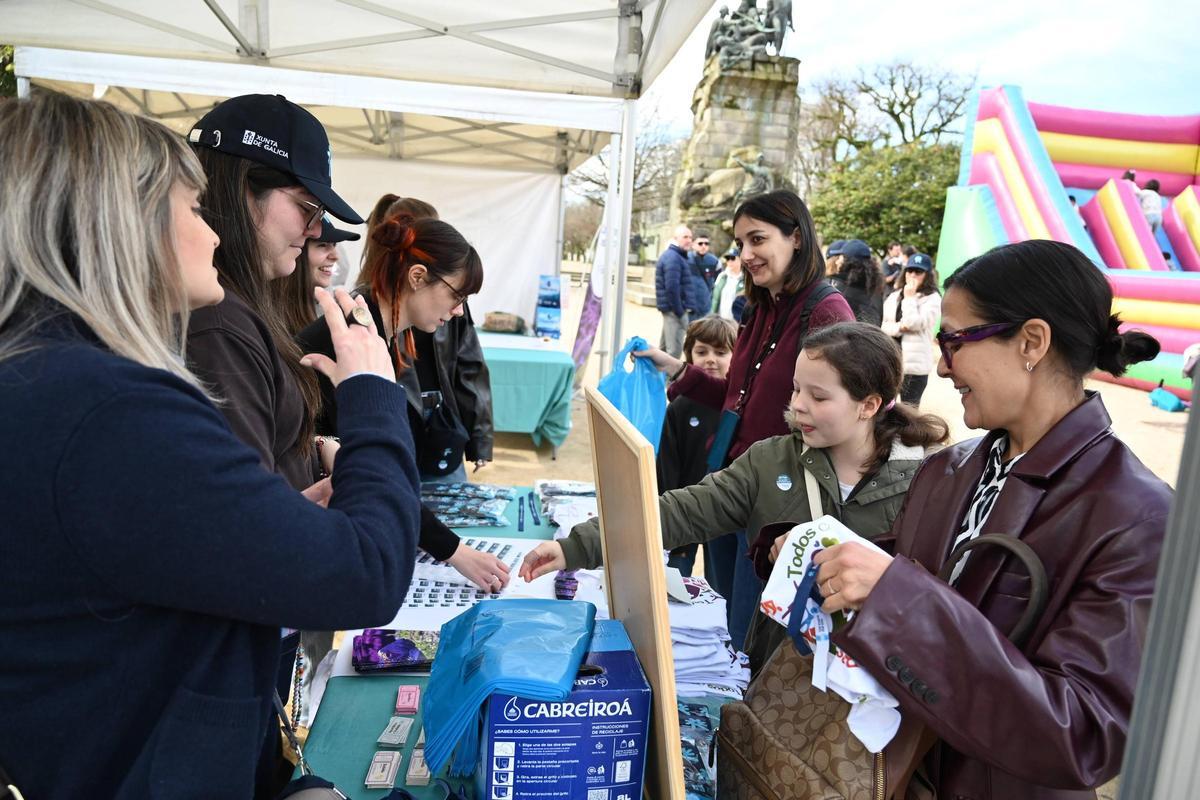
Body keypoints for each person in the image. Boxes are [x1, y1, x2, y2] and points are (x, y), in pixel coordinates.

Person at [0, 91, 420, 800]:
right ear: (120, 221)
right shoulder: (111, 411)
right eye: (193, 209)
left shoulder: (55, 382)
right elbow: (366, 573)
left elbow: (151, 635)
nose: (214, 235)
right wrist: (373, 395)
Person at [813, 239, 1170, 798]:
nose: (943, 363)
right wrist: (824, 554)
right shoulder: (951, 466)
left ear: (1032, 342)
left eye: (954, 340)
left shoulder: (1137, 516)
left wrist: (896, 600)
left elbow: (1084, 733)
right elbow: (922, 570)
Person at [521, 322, 949, 674]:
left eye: (818, 397)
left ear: (869, 405)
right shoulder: (770, 461)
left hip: (880, 683)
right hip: (780, 674)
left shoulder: (932, 481)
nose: (798, 405)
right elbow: (680, 511)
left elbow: (941, 594)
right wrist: (574, 546)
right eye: (796, 389)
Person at [627, 190, 855, 650]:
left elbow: (854, 413)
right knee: (730, 620)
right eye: (740, 243)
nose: (746, 255)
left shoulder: (826, 312)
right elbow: (738, 399)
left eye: (758, 240)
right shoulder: (761, 309)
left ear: (796, 238)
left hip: (781, 505)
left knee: (755, 636)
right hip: (735, 486)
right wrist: (673, 366)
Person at [297, 213, 511, 593]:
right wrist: (456, 552)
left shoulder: (376, 328)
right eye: (457, 296)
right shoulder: (354, 335)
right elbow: (381, 470)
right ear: (417, 277)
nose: (459, 310)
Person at [352, 195, 494, 482]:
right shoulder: (360, 318)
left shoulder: (447, 298)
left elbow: (470, 367)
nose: (456, 310)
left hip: (441, 428)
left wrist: (479, 438)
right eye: (455, 297)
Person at [658, 316, 738, 577]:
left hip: (723, 512)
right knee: (674, 579)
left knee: (721, 580)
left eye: (720, 352)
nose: (710, 359)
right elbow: (669, 463)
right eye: (701, 352)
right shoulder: (680, 406)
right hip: (684, 509)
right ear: (689, 356)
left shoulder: (737, 406)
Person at [276, 215, 361, 334]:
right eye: (322, 245)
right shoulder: (272, 317)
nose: (336, 256)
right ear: (297, 251)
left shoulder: (326, 307)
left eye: (334, 245)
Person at [881, 252, 941, 406]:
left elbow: (913, 323)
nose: (912, 275)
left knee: (910, 412)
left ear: (927, 275)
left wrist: (909, 298)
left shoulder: (933, 298)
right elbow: (883, 325)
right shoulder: (894, 296)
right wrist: (900, 328)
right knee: (887, 409)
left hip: (914, 367)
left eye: (918, 272)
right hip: (892, 363)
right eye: (910, 271)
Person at [655, 224, 704, 358]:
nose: (689, 240)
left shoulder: (677, 256)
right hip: (674, 310)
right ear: (675, 239)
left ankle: (659, 379)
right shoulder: (673, 258)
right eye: (685, 237)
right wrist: (680, 311)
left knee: (664, 349)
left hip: (672, 309)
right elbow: (671, 288)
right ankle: (668, 380)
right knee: (674, 352)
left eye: (690, 237)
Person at [830, 239, 884, 326]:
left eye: (842, 257)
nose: (837, 261)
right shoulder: (874, 289)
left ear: (848, 262)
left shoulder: (840, 288)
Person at [711, 247, 747, 322]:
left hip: (736, 321)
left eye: (733, 258)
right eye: (728, 259)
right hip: (720, 320)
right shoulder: (722, 276)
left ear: (741, 260)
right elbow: (714, 298)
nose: (730, 261)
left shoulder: (746, 279)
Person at [689, 232, 721, 309]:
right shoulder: (685, 259)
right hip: (689, 305)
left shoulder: (715, 261)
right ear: (693, 245)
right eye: (700, 243)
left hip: (706, 304)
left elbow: (718, 283)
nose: (703, 246)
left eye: (706, 244)